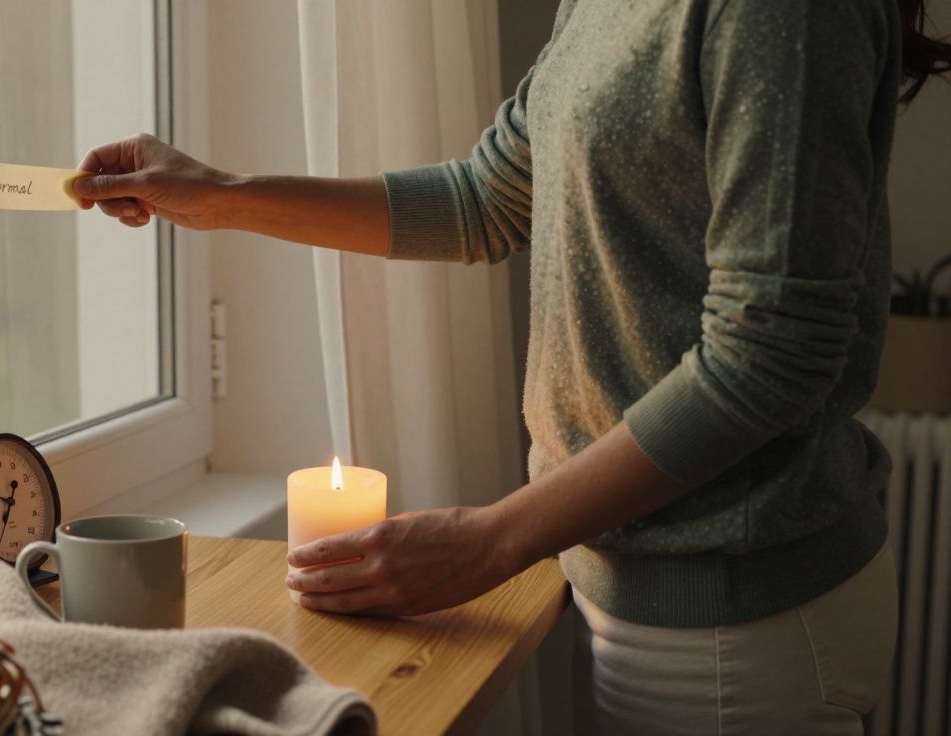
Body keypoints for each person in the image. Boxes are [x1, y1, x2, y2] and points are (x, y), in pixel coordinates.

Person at [74, 0, 951, 732]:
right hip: (622, 587)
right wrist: (220, 197)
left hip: (740, 621)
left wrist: (493, 540)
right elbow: (487, 199)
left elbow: (771, 352)